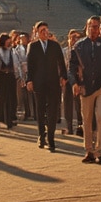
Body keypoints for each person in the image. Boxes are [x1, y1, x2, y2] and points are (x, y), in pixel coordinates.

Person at [70, 17, 101, 165]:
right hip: (85, 87)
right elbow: (72, 67)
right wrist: (75, 83)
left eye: (97, 27)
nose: (94, 30)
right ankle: (89, 150)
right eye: (91, 27)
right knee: (87, 119)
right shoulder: (79, 46)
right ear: (86, 28)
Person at [25, 20, 68, 151]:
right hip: (39, 82)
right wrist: (29, 80)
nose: (44, 32)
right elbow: (30, 65)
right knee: (40, 110)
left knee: (52, 110)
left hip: (53, 82)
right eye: (42, 30)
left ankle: (51, 137)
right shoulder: (33, 46)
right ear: (37, 33)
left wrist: (63, 76)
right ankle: (41, 135)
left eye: (46, 30)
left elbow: (61, 62)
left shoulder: (55, 46)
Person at [0, 34, 22, 129]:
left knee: (11, 98)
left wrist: (18, 75)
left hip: (11, 76)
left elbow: (16, 64)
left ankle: (10, 120)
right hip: (1, 76)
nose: (10, 42)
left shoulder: (13, 52)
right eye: (8, 41)